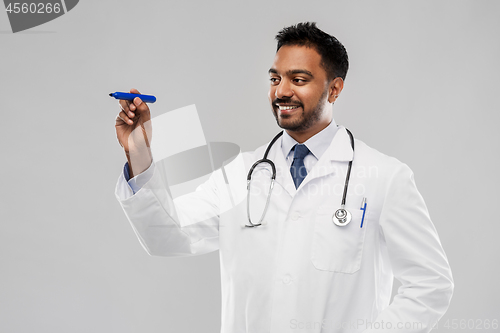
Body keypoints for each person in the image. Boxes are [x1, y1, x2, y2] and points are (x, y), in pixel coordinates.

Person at [114, 22, 453, 333]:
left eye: (299, 80)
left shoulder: (384, 177)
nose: (282, 91)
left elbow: (431, 284)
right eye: (275, 79)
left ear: (334, 89)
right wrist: (139, 152)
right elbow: (166, 237)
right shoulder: (239, 174)